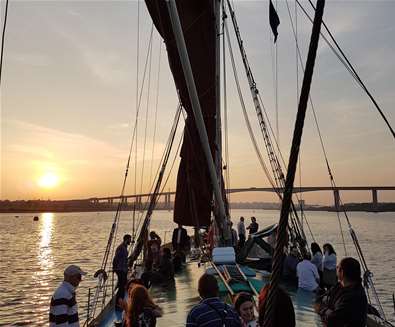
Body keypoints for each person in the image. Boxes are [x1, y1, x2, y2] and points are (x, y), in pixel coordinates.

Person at [315, 257, 368, 327]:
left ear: (342, 272)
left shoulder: (355, 296)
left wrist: (322, 309)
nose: (336, 269)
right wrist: (327, 310)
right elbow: (320, 299)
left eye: (337, 267)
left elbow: (333, 320)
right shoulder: (339, 286)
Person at [113, 234, 132, 308]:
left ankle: (120, 302)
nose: (130, 241)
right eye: (129, 239)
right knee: (121, 286)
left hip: (123, 269)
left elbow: (123, 258)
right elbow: (116, 258)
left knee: (123, 286)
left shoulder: (124, 247)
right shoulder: (121, 248)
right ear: (126, 239)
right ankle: (118, 303)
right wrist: (115, 268)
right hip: (120, 269)